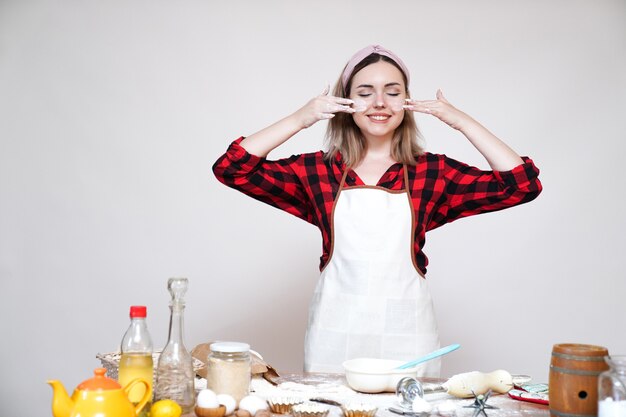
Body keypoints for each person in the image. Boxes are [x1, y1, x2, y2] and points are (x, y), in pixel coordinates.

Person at [213, 45, 542, 375]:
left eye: (393, 92)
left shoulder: (432, 173)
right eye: (365, 93)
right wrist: (300, 119)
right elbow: (232, 169)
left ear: (407, 102)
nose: (380, 103)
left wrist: (462, 122)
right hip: (335, 335)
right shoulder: (317, 171)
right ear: (347, 103)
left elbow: (522, 185)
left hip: (408, 337)